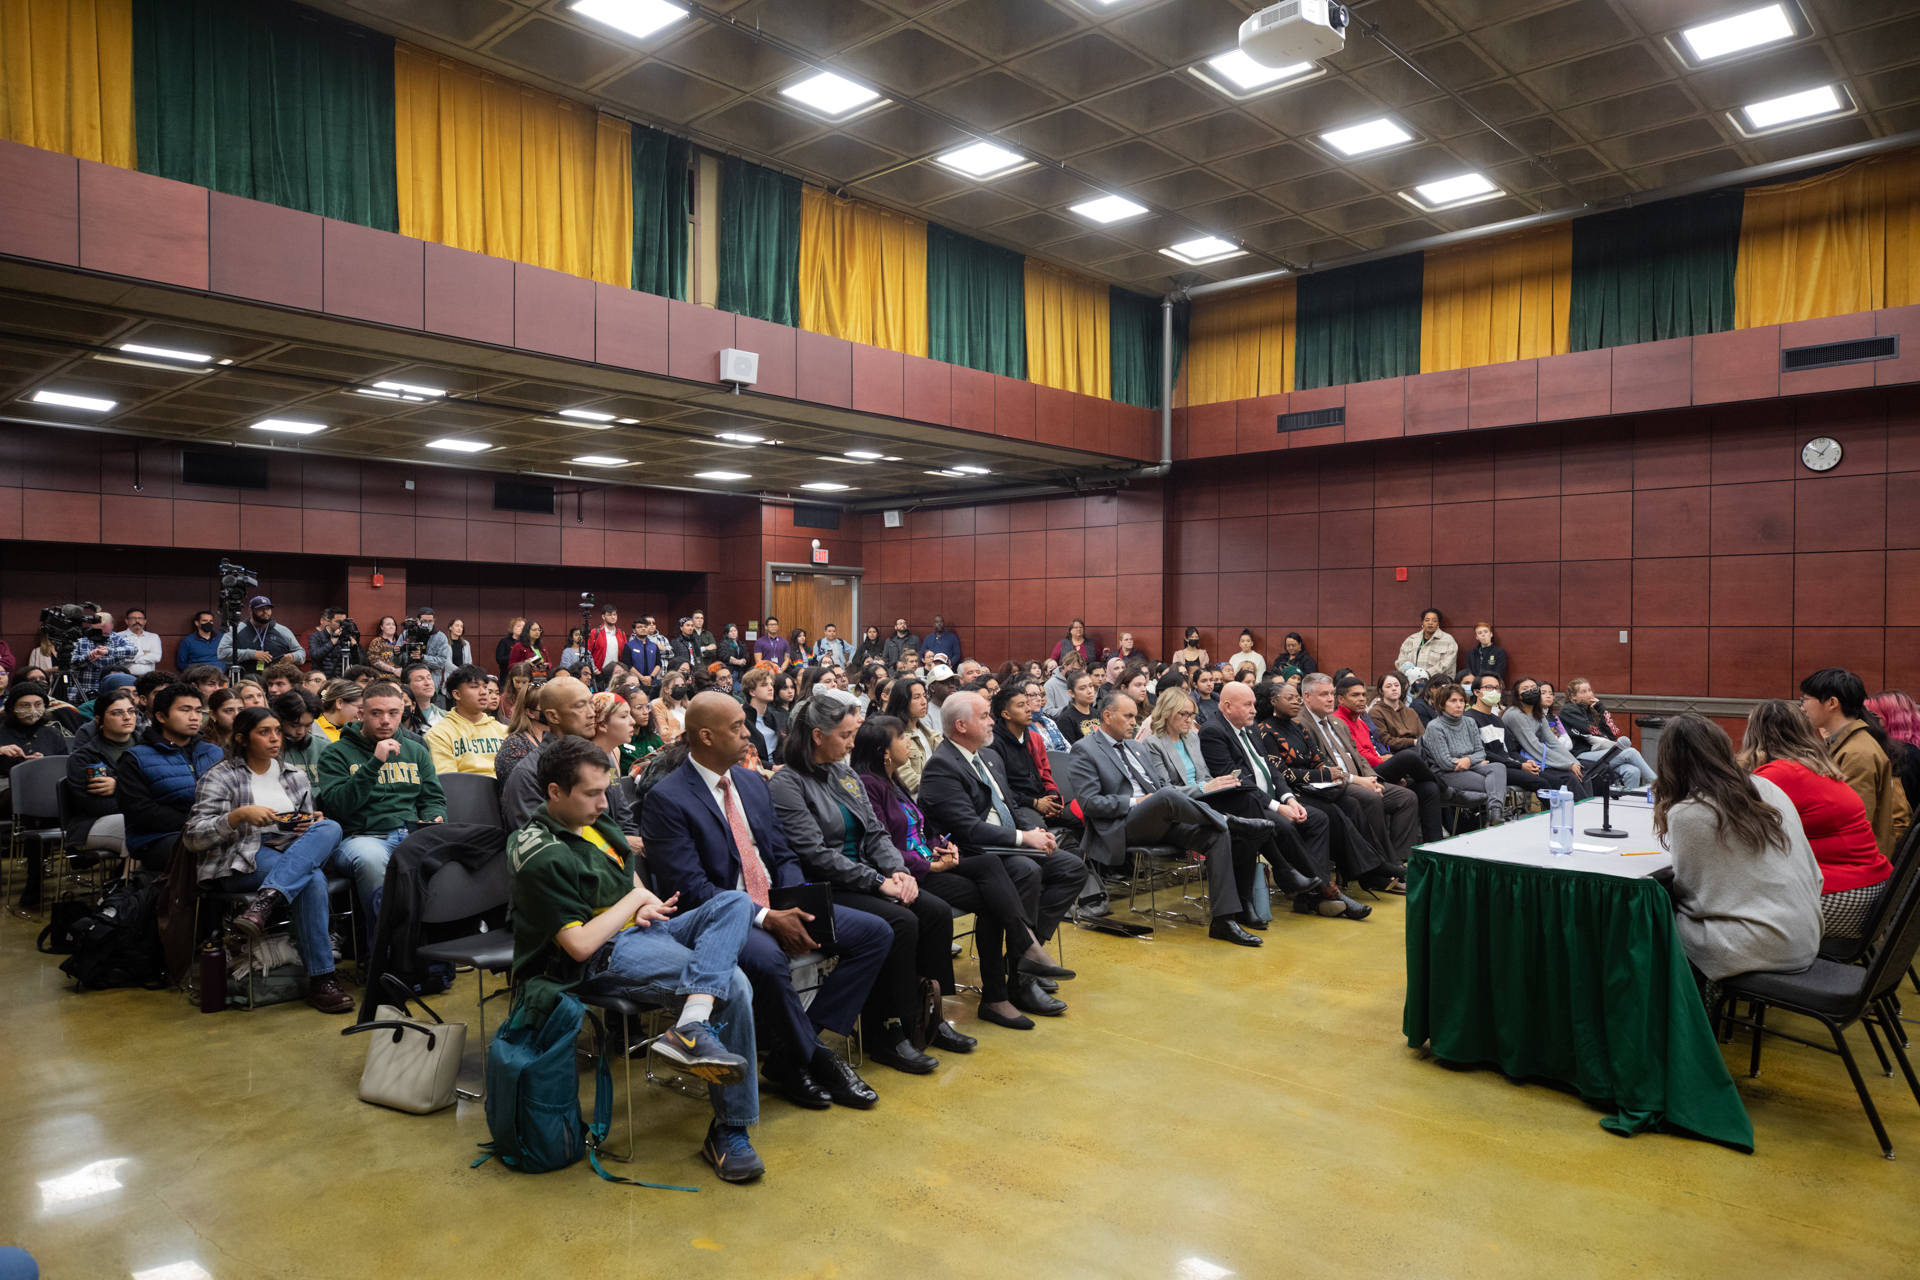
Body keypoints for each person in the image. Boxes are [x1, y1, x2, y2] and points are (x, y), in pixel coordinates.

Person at [509, 734, 765, 1182]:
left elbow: (627, 887)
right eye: (590, 794)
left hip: (646, 930)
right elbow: (580, 946)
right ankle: (730, 1129)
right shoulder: (539, 854)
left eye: (604, 792)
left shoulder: (595, 825)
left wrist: (639, 902)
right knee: (736, 985)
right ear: (554, 791)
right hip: (599, 958)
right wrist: (634, 903)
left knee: (735, 904)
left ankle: (690, 1024)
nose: (603, 805)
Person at [641, 692, 892, 1111]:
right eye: (737, 727)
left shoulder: (752, 783)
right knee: (770, 960)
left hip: (777, 901)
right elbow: (691, 889)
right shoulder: (668, 799)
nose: (748, 734)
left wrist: (794, 902)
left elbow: (784, 854)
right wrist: (767, 917)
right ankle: (819, 1058)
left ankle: (791, 1052)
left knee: (876, 933)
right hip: (725, 918)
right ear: (705, 736)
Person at [769, 693, 974, 1072]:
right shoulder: (788, 783)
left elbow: (878, 833)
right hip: (826, 885)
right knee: (900, 921)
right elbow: (815, 854)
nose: (852, 743)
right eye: (845, 735)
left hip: (867, 876)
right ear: (817, 735)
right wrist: (878, 880)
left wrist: (898, 870)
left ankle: (929, 1018)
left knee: (934, 911)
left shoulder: (844, 775)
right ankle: (887, 1030)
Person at [855, 714, 1068, 1032]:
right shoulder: (869, 785)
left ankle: (1009, 975)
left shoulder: (891, 778)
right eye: (902, 738)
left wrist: (942, 845)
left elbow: (921, 828)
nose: (909, 743)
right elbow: (880, 844)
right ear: (884, 751)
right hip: (910, 873)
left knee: (991, 874)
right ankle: (1007, 976)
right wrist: (928, 864)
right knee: (994, 895)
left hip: (930, 860)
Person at [916, 691, 1084, 1016]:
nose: (992, 721)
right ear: (961, 725)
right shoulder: (942, 767)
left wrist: (1034, 832)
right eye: (984, 716)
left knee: (1071, 868)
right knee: (1025, 871)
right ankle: (1017, 982)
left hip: (1005, 844)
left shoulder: (990, 757)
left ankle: (1022, 961)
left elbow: (1007, 807)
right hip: (972, 854)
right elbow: (969, 831)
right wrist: (1024, 838)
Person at [1066, 689, 1268, 945]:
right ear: (1107, 716)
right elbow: (1090, 803)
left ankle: (1223, 920)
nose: (1135, 722)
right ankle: (1229, 819)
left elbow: (1162, 786)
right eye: (1128, 716)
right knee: (1165, 796)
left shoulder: (1136, 747)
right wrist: (1138, 802)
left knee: (1216, 834)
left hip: (1162, 817)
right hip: (1122, 825)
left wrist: (1158, 799)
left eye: (1135, 716)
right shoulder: (1084, 750)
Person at [184, 706, 352, 1013]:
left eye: (277, 731)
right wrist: (237, 816)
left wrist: (308, 823)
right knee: (311, 878)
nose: (275, 739)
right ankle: (322, 981)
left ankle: (266, 900)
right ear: (242, 738)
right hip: (240, 856)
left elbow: (304, 826)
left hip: (290, 849)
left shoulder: (294, 775)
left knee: (330, 826)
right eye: (264, 732)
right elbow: (193, 837)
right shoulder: (220, 777)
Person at [1655, 713, 1822, 989]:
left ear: (1668, 761)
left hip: (1762, 945)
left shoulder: (1688, 813)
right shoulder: (1768, 787)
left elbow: (1692, 895)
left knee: (1648, 920)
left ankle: (1679, 1021)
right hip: (1806, 934)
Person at [1739, 700, 1893, 940]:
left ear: (1753, 733)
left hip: (1842, 898)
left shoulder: (1779, 773)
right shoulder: (1817, 766)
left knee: (1716, 914)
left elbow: (1732, 828)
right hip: (1873, 893)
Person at [317, 681, 446, 920]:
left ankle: (431, 946)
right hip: (360, 838)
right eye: (376, 713)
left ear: (402, 714)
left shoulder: (416, 750)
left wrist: (434, 818)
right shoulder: (335, 753)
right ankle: (382, 948)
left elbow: (432, 798)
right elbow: (338, 806)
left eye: (393, 713)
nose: (385, 720)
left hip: (409, 833)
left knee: (447, 859)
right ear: (361, 714)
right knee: (371, 859)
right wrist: (374, 763)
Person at [1256, 680, 1401, 892]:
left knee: (1352, 804)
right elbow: (1282, 773)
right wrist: (1323, 774)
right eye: (1290, 698)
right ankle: (1371, 867)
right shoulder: (1266, 731)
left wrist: (1326, 772)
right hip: (1291, 792)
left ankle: (1370, 867)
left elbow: (1318, 757)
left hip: (1316, 787)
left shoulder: (1298, 727)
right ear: (1273, 702)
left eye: (1297, 698)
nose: (1296, 702)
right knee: (1331, 813)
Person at [1297, 673, 1421, 868]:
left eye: (1331, 693)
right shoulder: (1301, 724)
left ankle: (1400, 858)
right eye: (1323, 694)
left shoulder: (1336, 722)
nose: (1330, 698)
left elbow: (1358, 756)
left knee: (1406, 797)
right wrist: (1358, 781)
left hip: (1361, 778)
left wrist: (1372, 778)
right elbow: (1320, 766)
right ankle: (1383, 864)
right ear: (1307, 697)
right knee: (1370, 798)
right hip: (1334, 783)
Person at [1800, 667, 1910, 861]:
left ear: (1832, 703)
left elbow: (1854, 825)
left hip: (1855, 866)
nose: (1802, 708)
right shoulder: (1849, 745)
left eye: (1806, 700)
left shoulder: (1857, 753)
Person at [116, 683, 223, 871]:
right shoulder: (136, 758)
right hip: (158, 839)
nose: (194, 717)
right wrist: (191, 822)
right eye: (185, 710)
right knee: (213, 851)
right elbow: (140, 811)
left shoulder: (214, 752)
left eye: (198, 711)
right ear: (161, 716)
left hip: (215, 829)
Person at [1332, 675, 1442, 841]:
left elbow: (1375, 749)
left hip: (1378, 766)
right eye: (1355, 695)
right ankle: (1445, 788)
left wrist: (1389, 763)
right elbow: (1360, 756)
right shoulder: (1339, 721)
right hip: (1365, 773)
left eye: (1363, 694)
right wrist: (1387, 761)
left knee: (1428, 788)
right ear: (1340, 699)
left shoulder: (1361, 721)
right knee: (1408, 756)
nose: (1362, 699)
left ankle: (1434, 847)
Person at [499, 676, 596, 831]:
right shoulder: (528, 773)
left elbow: (623, 820)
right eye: (580, 706)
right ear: (552, 716)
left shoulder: (600, 760)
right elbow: (532, 841)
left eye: (592, 703)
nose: (592, 713)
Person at [62, 686, 137, 862]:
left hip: (138, 813)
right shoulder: (83, 757)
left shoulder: (150, 747)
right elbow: (99, 806)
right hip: (93, 822)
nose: (127, 717)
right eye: (117, 713)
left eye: (131, 711)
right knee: (141, 826)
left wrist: (119, 785)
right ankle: (131, 885)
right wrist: (145, 797)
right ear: (99, 720)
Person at [1419, 684, 1508, 826]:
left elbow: (1481, 752)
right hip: (1446, 773)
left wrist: (1468, 760)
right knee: (1495, 785)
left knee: (1499, 767)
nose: (1459, 705)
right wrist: (1473, 761)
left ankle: (1495, 812)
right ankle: (1492, 817)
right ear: (1442, 704)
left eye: (1461, 701)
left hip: (1469, 766)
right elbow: (1446, 763)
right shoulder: (1435, 726)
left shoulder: (1469, 722)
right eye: (1453, 701)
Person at [984, 683, 1063, 826]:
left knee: (1082, 814)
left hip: (1042, 798)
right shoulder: (993, 745)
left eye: (1027, 703)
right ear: (1006, 714)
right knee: (1040, 828)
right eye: (1021, 705)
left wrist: (1052, 797)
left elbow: (1045, 774)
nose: (1028, 709)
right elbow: (999, 788)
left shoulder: (1032, 737)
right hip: (1019, 804)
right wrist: (1035, 803)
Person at [425, 665, 504, 775]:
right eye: (474, 687)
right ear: (457, 694)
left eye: (485, 687)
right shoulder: (439, 735)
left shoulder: (504, 731)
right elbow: (449, 781)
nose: (484, 692)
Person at [218, 596, 307, 674]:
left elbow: (301, 653)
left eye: (268, 608)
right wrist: (252, 654)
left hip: (277, 679)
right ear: (250, 611)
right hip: (246, 679)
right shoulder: (236, 629)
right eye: (260, 609)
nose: (265, 612)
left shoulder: (283, 630)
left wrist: (293, 657)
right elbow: (222, 653)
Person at [1866, 690, 1920, 814]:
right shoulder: (1913, 750)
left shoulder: (1905, 756)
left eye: (1872, 716)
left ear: (1892, 719)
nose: (1867, 722)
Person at [272, 690, 326, 784]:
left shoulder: (325, 748)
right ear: (279, 719)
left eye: (308, 725)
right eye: (294, 726)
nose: (301, 732)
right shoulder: (267, 752)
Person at [493, 689, 546, 783]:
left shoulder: (563, 737)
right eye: (546, 703)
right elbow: (517, 785)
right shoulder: (515, 744)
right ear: (530, 712)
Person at [1368, 673, 1424, 756]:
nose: (1394, 689)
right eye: (1388, 686)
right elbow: (1385, 741)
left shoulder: (1410, 711)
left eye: (1397, 685)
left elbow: (1423, 735)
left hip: (1417, 750)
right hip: (1393, 754)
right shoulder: (1376, 712)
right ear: (1381, 691)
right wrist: (1413, 742)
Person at [1395, 609, 1456, 684]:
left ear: (1438, 623)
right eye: (1427, 620)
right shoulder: (1411, 639)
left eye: (1434, 620)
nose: (1430, 623)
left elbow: (1447, 662)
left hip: (1437, 684)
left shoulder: (1448, 640)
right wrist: (1410, 674)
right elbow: (1400, 661)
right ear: (1423, 622)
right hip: (1412, 684)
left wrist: (1426, 674)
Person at [740, 667, 785, 767]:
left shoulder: (776, 717)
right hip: (754, 771)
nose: (771, 688)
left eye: (771, 684)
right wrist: (772, 768)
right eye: (764, 685)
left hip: (779, 769)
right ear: (752, 691)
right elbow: (740, 756)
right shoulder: (740, 719)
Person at [622, 689, 664, 775]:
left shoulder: (655, 739)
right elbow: (612, 776)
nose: (645, 712)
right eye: (639, 707)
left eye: (647, 706)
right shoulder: (617, 743)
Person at [400, 662, 443, 736]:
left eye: (429, 678)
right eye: (420, 679)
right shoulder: (400, 717)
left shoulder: (445, 716)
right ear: (406, 687)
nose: (427, 683)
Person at [115, 608, 162, 677]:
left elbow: (156, 657)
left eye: (140, 618)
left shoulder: (153, 637)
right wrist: (144, 653)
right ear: (127, 621)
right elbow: (120, 657)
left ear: (145, 621)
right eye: (133, 618)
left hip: (149, 678)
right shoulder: (118, 636)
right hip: (125, 677)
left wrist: (132, 656)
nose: (137, 621)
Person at [316, 679, 362, 744]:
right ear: (339, 703)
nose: (362, 712)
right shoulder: (312, 727)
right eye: (359, 707)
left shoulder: (357, 731)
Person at [654, 670, 691, 744]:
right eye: (676, 686)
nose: (680, 689)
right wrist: (689, 734)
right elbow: (664, 734)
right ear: (666, 689)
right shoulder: (658, 704)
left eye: (683, 685)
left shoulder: (690, 705)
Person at [200, 686, 241, 753]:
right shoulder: (202, 742)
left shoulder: (248, 737)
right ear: (213, 715)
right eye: (228, 711)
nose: (237, 715)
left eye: (240, 710)